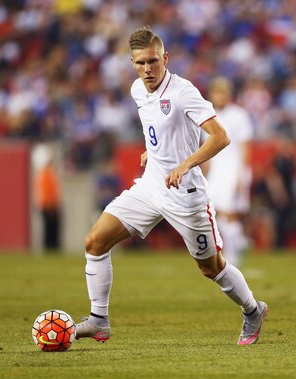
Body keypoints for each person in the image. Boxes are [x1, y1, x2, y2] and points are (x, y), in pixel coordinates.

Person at [76, 27, 268, 346]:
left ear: (165, 58)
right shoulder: (139, 90)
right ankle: (99, 320)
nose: (147, 69)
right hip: (151, 186)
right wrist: (153, 152)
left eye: (153, 61)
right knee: (95, 242)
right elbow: (158, 129)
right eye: (140, 63)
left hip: (187, 196)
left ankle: (252, 310)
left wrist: (185, 163)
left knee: (212, 268)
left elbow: (221, 136)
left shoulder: (183, 92)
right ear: (132, 63)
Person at [201, 77, 254, 267]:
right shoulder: (207, 117)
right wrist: (204, 174)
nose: (218, 96)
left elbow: (245, 146)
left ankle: (234, 251)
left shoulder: (239, 115)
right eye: (216, 92)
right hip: (215, 170)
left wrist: (242, 174)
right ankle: (239, 241)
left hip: (232, 168)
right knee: (214, 210)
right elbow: (205, 149)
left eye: (222, 92)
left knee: (229, 211)